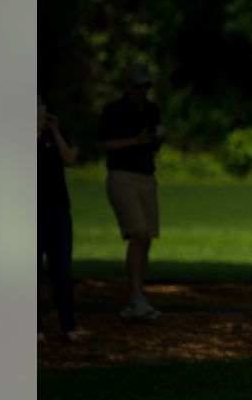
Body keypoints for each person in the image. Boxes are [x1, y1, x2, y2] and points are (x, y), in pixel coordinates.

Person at [96, 63, 165, 319]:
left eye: (146, 86)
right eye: (138, 86)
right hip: (122, 175)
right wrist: (134, 141)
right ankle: (135, 296)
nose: (142, 91)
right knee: (138, 233)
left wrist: (154, 140)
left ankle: (138, 294)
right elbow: (102, 143)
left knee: (146, 237)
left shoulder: (151, 110)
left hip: (146, 175)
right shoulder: (114, 111)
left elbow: (154, 146)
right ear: (128, 85)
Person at [37, 93, 81, 345]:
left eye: (41, 103)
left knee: (62, 270)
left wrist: (54, 132)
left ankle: (68, 326)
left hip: (58, 211)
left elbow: (70, 159)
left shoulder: (53, 135)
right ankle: (36, 328)